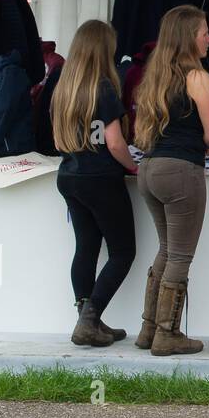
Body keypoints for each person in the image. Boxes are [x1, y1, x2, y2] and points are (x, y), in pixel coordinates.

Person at [133, 5, 209, 356]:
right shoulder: (198, 78)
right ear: (190, 38)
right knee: (181, 255)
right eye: (205, 32)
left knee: (166, 250)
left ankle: (149, 329)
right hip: (182, 171)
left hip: (150, 169)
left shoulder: (154, 77)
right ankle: (168, 334)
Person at [51, 20, 139, 347]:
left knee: (86, 248)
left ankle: (86, 320)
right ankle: (91, 317)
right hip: (101, 177)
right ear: (103, 49)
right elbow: (115, 143)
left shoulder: (65, 87)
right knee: (122, 252)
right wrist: (133, 167)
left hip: (70, 175)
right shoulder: (103, 88)